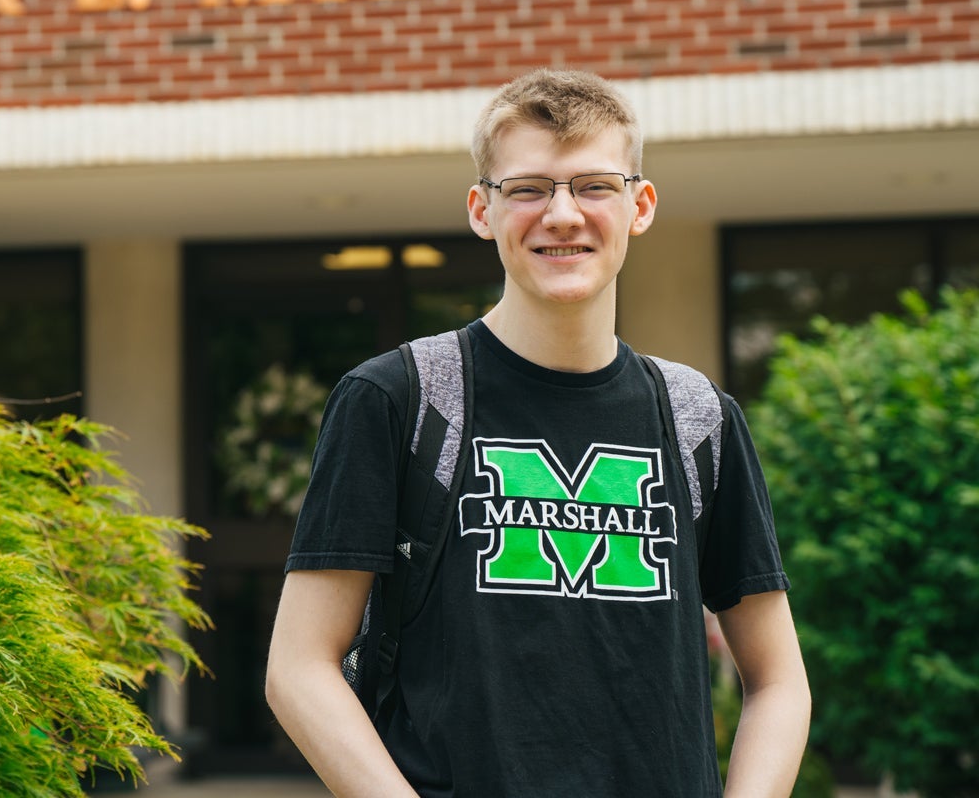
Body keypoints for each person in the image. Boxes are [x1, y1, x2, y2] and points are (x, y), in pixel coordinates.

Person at [266, 67, 811, 796]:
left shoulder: (699, 416)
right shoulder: (397, 399)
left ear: (639, 205)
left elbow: (778, 682)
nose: (562, 214)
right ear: (481, 210)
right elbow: (298, 668)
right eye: (527, 189)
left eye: (594, 186)